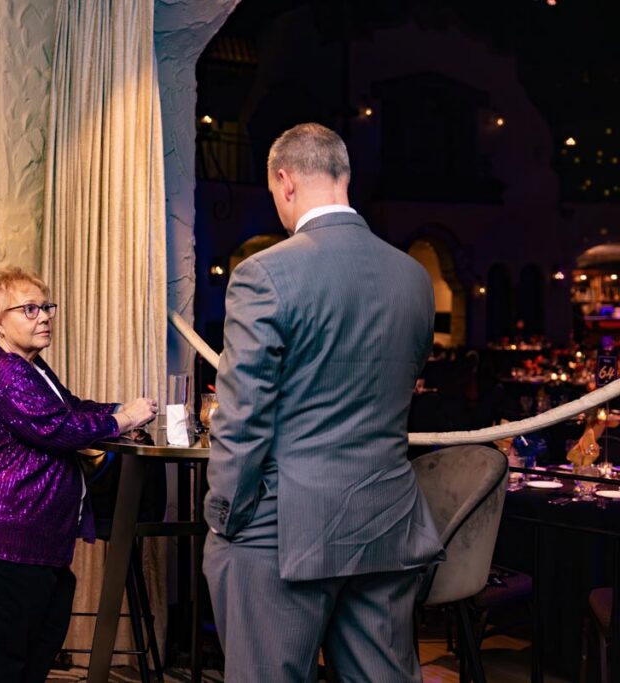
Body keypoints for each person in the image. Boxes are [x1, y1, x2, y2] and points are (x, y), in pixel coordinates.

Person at [202, 123, 444, 681]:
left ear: (285, 181)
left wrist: (223, 518)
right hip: (385, 520)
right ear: (343, 177)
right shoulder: (413, 278)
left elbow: (242, 417)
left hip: (285, 528)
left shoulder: (264, 274)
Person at [0, 266, 157, 683]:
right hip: (1, 531)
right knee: (2, 661)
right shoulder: (4, 370)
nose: (44, 317)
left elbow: (70, 408)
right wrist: (123, 420)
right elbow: (57, 427)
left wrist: (118, 411)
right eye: (30, 309)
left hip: (26, 532)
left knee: (41, 633)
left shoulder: (32, 367)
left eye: (46, 307)